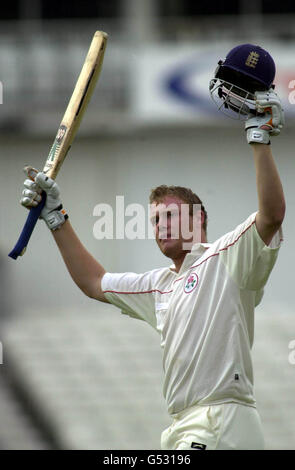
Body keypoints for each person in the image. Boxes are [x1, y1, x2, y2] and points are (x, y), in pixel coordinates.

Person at [20, 46, 285, 450]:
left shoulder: (228, 258)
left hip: (220, 421)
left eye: (170, 217)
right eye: (155, 220)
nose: (160, 227)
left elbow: (271, 216)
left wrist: (259, 139)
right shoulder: (159, 287)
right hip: (184, 425)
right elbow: (94, 282)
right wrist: (56, 217)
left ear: (199, 220)